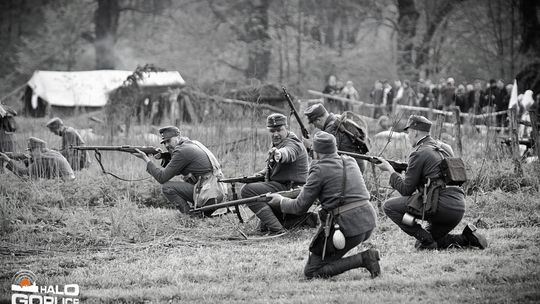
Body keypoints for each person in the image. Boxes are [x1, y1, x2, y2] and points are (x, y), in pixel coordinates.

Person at [267, 131, 380, 279]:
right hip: (368, 221)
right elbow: (338, 189)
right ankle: (362, 258)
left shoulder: (319, 169)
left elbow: (298, 207)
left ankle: (366, 258)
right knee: (326, 259)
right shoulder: (350, 161)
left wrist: (280, 201)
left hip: (347, 227)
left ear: (317, 152)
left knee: (312, 271)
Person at [376, 115, 488, 250]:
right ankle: (466, 238)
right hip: (458, 206)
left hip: (439, 206)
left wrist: (390, 170)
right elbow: (435, 173)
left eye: (409, 132)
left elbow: (406, 190)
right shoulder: (444, 147)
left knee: (389, 206)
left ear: (416, 132)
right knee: (421, 246)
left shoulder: (419, 153)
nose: (407, 135)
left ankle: (427, 239)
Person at [240, 113, 309, 235]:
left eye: (279, 130)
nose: (275, 134)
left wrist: (280, 154)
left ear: (286, 128)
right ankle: (283, 223)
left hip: (292, 188)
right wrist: (255, 176)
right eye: (272, 131)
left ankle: (277, 230)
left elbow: (288, 153)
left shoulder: (293, 142)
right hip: (283, 185)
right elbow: (272, 168)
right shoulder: (278, 143)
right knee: (263, 226)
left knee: (247, 191)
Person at [132, 126, 226, 215]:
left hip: (210, 195)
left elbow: (162, 178)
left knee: (167, 187)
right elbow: (177, 169)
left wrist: (146, 159)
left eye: (169, 141)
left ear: (178, 137)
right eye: (164, 143)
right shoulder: (192, 143)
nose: (167, 145)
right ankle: (195, 212)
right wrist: (163, 157)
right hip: (217, 191)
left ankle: (189, 216)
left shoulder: (181, 151)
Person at [303, 103, 369, 172]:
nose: (315, 127)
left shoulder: (331, 130)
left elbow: (325, 159)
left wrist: (310, 147)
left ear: (319, 120)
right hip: (356, 164)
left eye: (314, 123)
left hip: (352, 170)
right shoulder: (336, 119)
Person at [0, 137, 75, 180]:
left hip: (64, 183)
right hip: (68, 180)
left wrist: (8, 160)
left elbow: (22, 174)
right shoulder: (52, 153)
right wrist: (26, 160)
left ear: (38, 149)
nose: (30, 153)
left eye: (31, 150)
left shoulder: (42, 159)